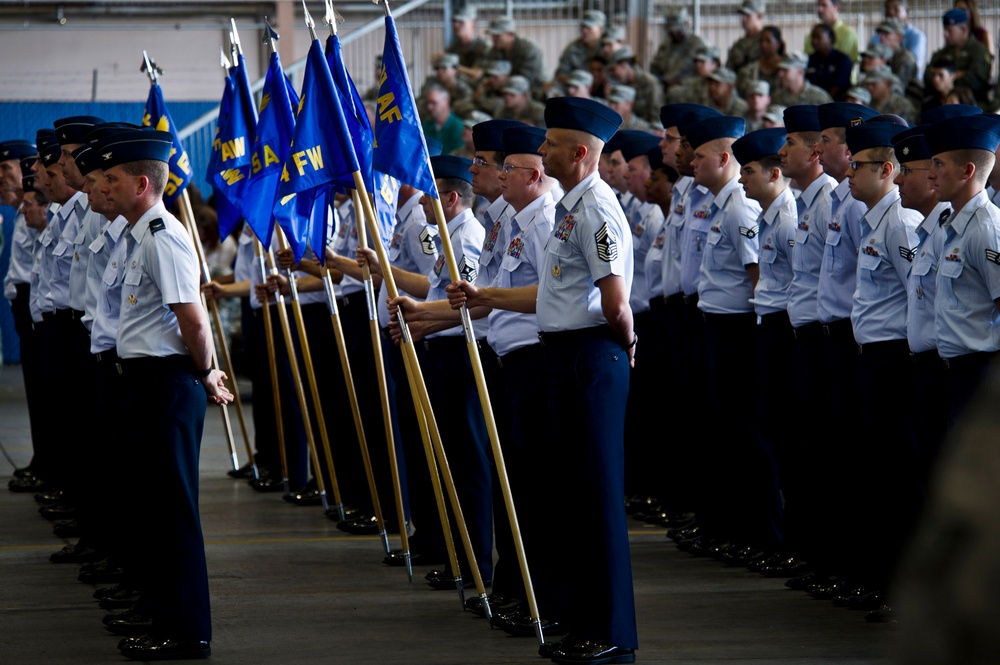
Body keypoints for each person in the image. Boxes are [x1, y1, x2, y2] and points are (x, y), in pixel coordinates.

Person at [446, 96, 637, 664]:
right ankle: (585, 622)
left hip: (588, 355)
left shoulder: (598, 208)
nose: (541, 148)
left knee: (596, 498)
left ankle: (611, 633)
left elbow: (615, 301)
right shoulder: (572, 209)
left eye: (552, 143)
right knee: (573, 496)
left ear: (580, 153)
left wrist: (624, 343)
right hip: (565, 355)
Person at [91, 128, 233, 661]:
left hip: (169, 382)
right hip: (147, 382)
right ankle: (159, 612)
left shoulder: (163, 235)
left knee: (173, 512)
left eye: (111, 178)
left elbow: (192, 320)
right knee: (151, 509)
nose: (102, 186)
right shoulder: (140, 233)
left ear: (141, 183)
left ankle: (188, 630)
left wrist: (209, 371)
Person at [358, 155, 493, 591]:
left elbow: (465, 307)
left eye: (431, 195)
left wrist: (420, 318)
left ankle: (474, 561)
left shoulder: (466, 236)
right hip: (438, 348)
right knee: (441, 453)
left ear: (451, 198)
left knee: (466, 459)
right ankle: (449, 547)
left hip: (460, 355)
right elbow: (442, 295)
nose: (424, 203)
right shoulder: (447, 234)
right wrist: (418, 324)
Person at [840, 117, 922, 616]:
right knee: (877, 475)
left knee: (898, 477)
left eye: (859, 165)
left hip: (895, 360)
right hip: (872, 359)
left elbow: (919, 296)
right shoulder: (875, 218)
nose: (849, 173)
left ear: (887, 170)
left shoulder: (901, 223)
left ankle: (903, 589)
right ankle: (882, 578)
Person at [771, 104, 838, 579]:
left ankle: (833, 555)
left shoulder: (837, 200)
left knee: (828, 450)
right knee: (807, 446)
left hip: (832, 338)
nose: (783, 150)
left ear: (816, 151)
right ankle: (815, 550)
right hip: (810, 336)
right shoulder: (812, 202)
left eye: (791, 142)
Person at [730, 126, 796, 570]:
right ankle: (772, 536)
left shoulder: (787, 217)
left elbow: (792, 285)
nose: (741, 179)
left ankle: (781, 538)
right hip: (767, 325)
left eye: (749, 171)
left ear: (775, 173)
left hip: (786, 330)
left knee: (784, 440)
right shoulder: (769, 214)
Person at [925, 112, 1000, 431]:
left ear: (968, 171)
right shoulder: (953, 225)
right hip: (951, 370)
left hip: (977, 374)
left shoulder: (987, 228)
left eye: (938, 164)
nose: (930, 175)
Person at [1, 141, 46, 493]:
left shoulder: (39, 211)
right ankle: (43, 459)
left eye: (6, 168)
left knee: (49, 395)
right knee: (39, 392)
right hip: (27, 305)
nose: (1, 178)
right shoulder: (20, 211)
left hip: (41, 305)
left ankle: (48, 463)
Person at [924, 9, 993, 107]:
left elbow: (975, 81)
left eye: (949, 30)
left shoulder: (979, 51)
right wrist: (959, 74)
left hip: (973, 104)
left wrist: (948, 83)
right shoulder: (942, 53)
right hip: (941, 102)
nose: (945, 34)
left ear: (963, 30)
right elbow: (927, 77)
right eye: (945, 30)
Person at [650, 7, 709, 91]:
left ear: (687, 24)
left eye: (677, 30)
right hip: (663, 86)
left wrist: (680, 82)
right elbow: (654, 68)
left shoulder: (698, 45)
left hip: (687, 88)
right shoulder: (665, 45)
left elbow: (703, 76)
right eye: (671, 31)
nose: (674, 33)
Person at [485, 16, 546, 91]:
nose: (493, 39)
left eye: (497, 35)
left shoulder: (529, 50)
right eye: (492, 35)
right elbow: (488, 72)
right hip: (508, 91)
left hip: (537, 88)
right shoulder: (494, 51)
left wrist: (503, 80)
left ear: (510, 34)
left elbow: (527, 80)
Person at [608, 45, 664, 124]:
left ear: (624, 64)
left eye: (614, 69)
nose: (613, 74)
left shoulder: (649, 82)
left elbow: (657, 116)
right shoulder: (623, 84)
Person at [554, 9, 606, 87]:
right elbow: (561, 75)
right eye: (583, 27)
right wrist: (577, 81)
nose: (584, 31)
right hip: (578, 89)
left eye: (589, 27)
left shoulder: (607, 47)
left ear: (600, 29)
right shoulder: (573, 49)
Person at [806, 22, 853, 101]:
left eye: (818, 37)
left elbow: (838, 86)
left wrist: (822, 102)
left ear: (830, 38)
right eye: (813, 38)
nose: (814, 41)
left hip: (836, 104)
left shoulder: (843, 60)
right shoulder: (808, 59)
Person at [736, 25, 786, 100]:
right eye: (761, 41)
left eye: (768, 41)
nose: (763, 45)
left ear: (778, 44)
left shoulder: (787, 70)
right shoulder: (749, 71)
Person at [421, 83, 465, 156]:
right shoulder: (424, 127)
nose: (429, 107)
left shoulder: (459, 127)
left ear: (446, 101)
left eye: (433, 103)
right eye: (427, 103)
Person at [727, 0, 766, 74]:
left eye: (747, 15)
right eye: (742, 15)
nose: (743, 19)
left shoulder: (767, 42)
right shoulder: (738, 45)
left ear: (759, 16)